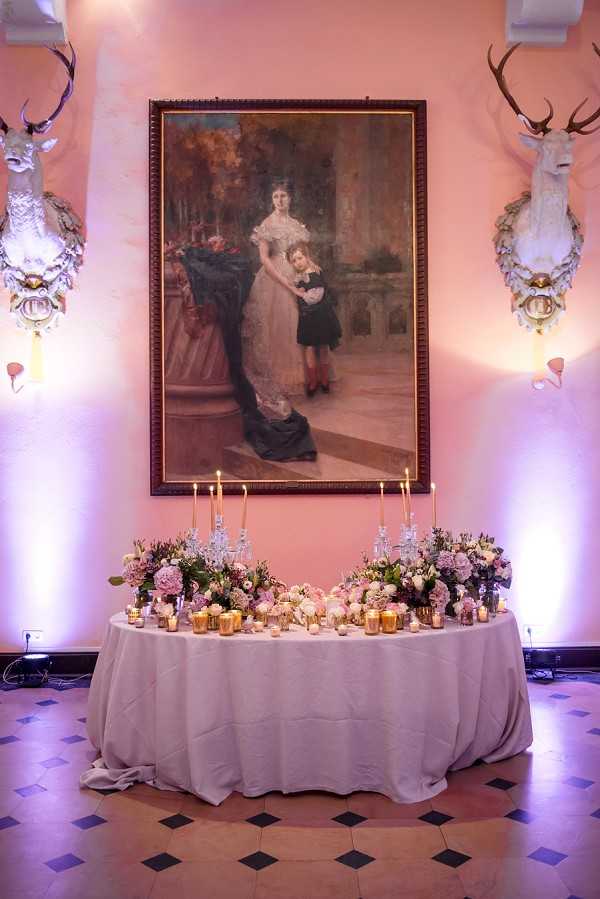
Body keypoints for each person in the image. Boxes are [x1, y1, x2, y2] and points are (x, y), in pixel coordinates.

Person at [241, 180, 309, 418]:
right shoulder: (267, 225)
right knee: (279, 328)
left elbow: (302, 254)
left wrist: (306, 273)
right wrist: (285, 280)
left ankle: (303, 378)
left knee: (299, 326)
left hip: (296, 272)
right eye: (276, 197)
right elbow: (264, 259)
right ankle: (278, 381)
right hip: (274, 279)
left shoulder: (296, 225)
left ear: (290, 199)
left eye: (284, 196)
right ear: (272, 200)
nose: (280, 200)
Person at [287, 242, 342, 396]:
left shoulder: (315, 274)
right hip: (307, 318)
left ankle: (324, 380)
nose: (298, 263)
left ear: (307, 257)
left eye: (300, 258)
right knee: (309, 348)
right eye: (294, 261)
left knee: (323, 347)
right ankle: (313, 381)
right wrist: (297, 288)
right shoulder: (298, 276)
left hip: (321, 316)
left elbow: (314, 299)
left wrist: (299, 293)